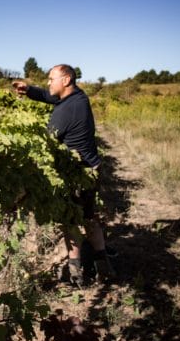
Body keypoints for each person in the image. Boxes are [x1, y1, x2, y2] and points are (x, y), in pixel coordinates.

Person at [12, 64, 116, 286]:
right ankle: (103, 263)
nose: (48, 83)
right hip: (90, 169)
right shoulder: (77, 97)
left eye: (51, 79)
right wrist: (28, 90)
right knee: (89, 216)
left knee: (70, 221)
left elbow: (45, 143)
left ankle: (75, 271)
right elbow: (49, 96)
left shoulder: (67, 110)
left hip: (76, 174)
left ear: (66, 80)